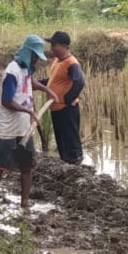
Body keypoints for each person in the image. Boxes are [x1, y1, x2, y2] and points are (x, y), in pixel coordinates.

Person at [0, 35, 47, 214]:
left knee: (27, 166)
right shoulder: (12, 71)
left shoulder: (27, 69)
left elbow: (30, 83)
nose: (36, 59)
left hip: (24, 128)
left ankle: (25, 202)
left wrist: (47, 89)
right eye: (35, 56)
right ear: (27, 52)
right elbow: (6, 100)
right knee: (0, 166)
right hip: (8, 127)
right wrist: (28, 111)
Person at [43, 30, 87, 164]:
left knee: (70, 140)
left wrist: (68, 99)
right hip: (57, 109)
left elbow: (80, 81)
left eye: (54, 45)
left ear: (64, 46)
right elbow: (53, 80)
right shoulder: (57, 60)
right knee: (61, 140)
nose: (51, 48)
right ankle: (66, 163)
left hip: (67, 109)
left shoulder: (71, 63)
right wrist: (36, 84)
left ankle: (76, 163)